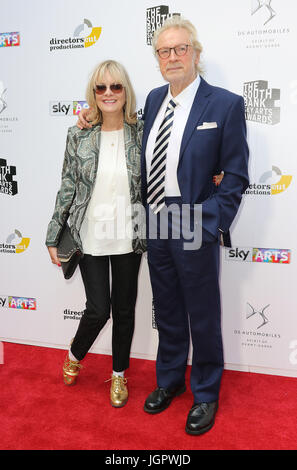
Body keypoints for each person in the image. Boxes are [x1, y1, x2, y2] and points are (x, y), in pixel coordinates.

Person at [77, 16, 249, 435]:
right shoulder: (153, 100)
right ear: (156, 59)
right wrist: (87, 118)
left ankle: (206, 392)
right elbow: (113, 119)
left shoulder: (224, 104)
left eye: (180, 49)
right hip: (153, 217)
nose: (172, 57)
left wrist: (210, 223)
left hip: (194, 219)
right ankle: (170, 381)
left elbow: (237, 175)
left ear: (196, 52)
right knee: (168, 310)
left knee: (202, 314)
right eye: (163, 51)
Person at [46, 60, 146, 408]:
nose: (108, 94)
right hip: (90, 235)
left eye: (115, 87)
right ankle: (75, 354)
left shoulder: (142, 132)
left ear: (125, 91)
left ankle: (119, 375)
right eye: (100, 88)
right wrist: (53, 234)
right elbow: (68, 186)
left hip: (129, 237)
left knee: (125, 311)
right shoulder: (79, 134)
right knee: (98, 310)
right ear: (93, 93)